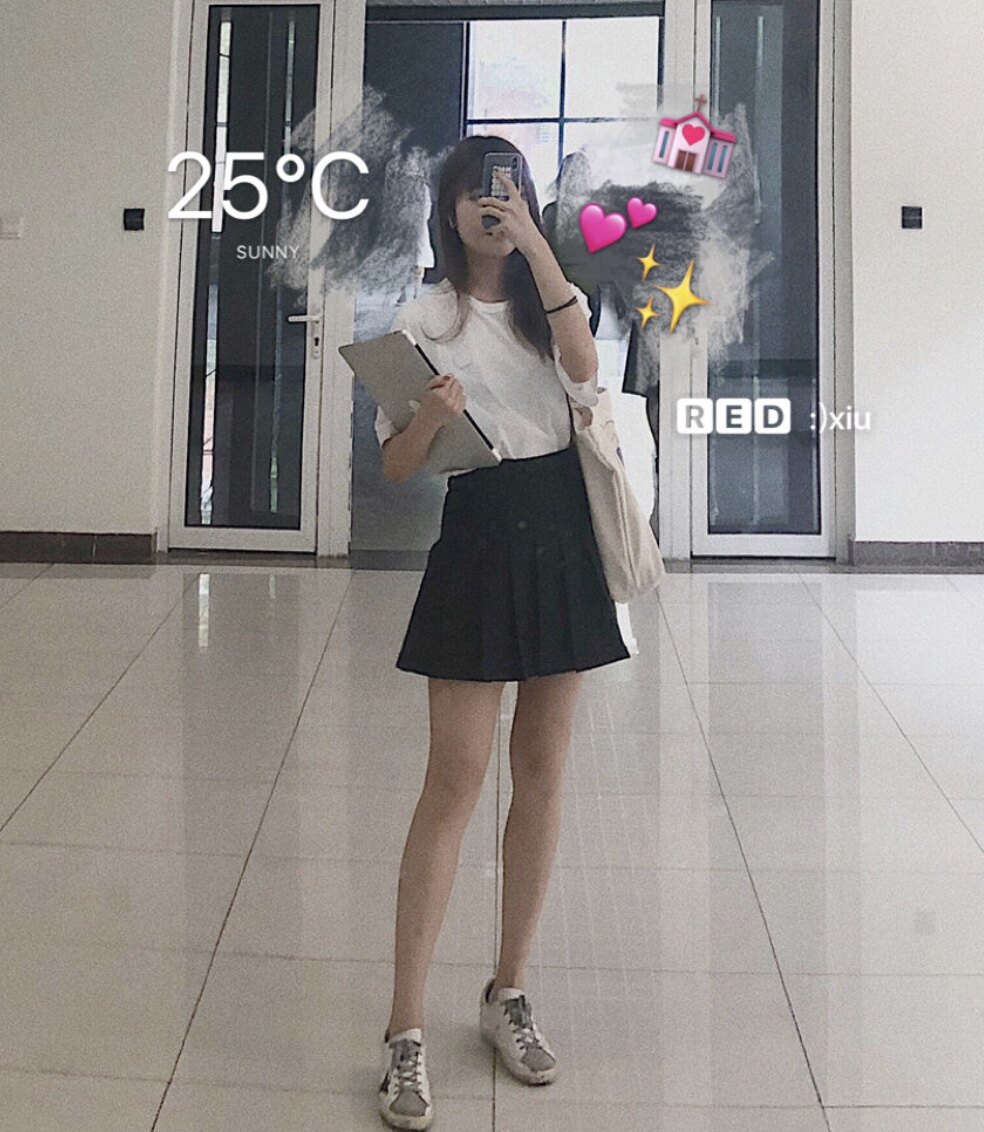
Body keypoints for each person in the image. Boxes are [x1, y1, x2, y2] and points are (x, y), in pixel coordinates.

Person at [373, 135, 630, 1130]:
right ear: (447, 210)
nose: (494, 205)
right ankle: (403, 1029)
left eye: (510, 190)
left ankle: (508, 991)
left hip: (562, 531)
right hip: (478, 534)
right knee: (454, 778)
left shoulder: (552, 301)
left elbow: (585, 375)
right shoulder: (423, 319)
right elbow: (399, 465)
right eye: (477, 194)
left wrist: (537, 250)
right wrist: (427, 417)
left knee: (544, 770)